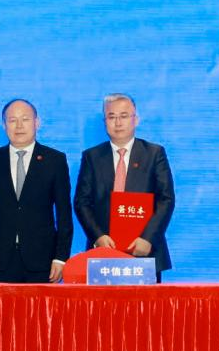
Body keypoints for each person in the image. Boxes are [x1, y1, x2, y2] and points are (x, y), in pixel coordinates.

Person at [73, 93, 175, 278]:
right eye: (111, 117)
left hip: (145, 250)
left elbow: (166, 199)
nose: (118, 123)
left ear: (136, 120)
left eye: (124, 116)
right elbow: (82, 202)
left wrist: (148, 238)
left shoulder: (154, 154)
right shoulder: (92, 157)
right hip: (103, 252)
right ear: (105, 122)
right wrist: (98, 237)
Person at [0, 99, 72, 283]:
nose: (19, 126)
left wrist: (61, 257)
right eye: (12, 120)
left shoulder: (55, 160)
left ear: (37, 122)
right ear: (4, 125)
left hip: (42, 260)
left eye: (25, 119)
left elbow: (64, 214)